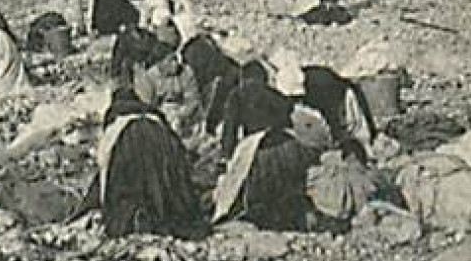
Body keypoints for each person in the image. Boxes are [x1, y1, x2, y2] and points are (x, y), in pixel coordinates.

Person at [75, 88, 203, 239]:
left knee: (128, 191)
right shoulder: (156, 119)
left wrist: (90, 206)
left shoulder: (117, 125)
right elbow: (180, 154)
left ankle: (136, 216)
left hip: (131, 150)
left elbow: (105, 168)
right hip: (162, 152)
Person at [211, 65, 317, 230]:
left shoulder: (237, 95)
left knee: (257, 190)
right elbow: (287, 114)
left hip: (259, 147)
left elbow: (230, 129)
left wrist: (227, 157)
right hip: (285, 143)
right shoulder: (272, 93)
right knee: (286, 186)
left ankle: (263, 222)